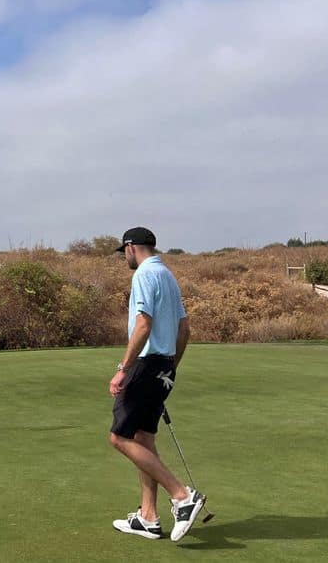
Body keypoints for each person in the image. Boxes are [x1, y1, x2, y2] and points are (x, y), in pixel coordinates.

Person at [107, 227, 205, 542]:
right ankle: (148, 516)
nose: (125, 256)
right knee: (143, 438)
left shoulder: (144, 276)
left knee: (120, 438)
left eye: (124, 250)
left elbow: (144, 324)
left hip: (147, 365)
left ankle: (181, 497)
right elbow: (184, 329)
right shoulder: (168, 275)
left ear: (132, 247)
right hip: (164, 367)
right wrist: (169, 368)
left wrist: (124, 368)